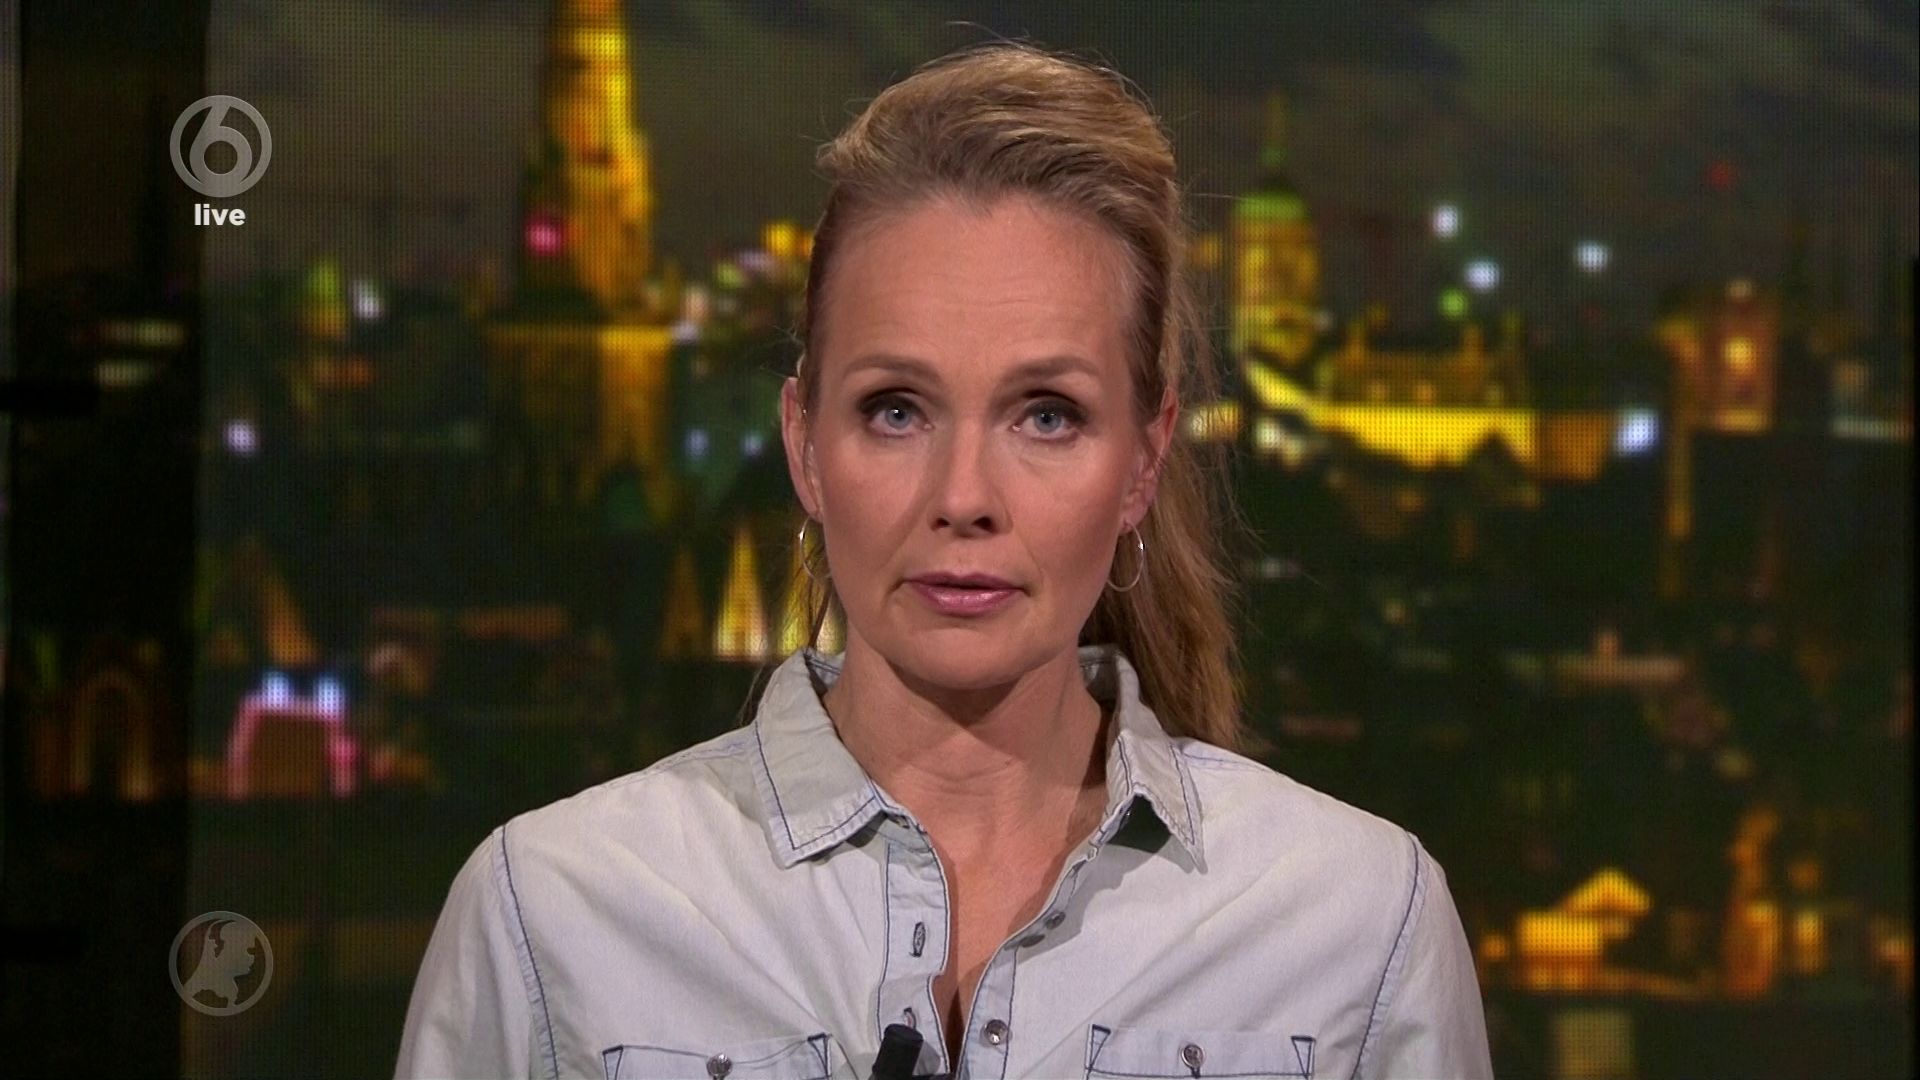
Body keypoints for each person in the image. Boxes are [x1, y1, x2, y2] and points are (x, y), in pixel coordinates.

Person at [395, 40, 1492, 1080]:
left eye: (1047, 415)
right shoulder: (549, 916)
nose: (963, 498)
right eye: (896, 411)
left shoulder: (1359, 925)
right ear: (803, 447)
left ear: (1144, 462)